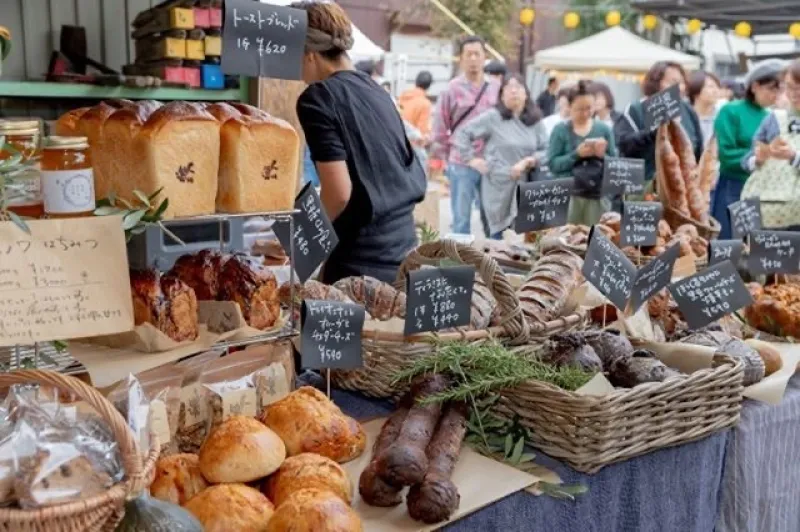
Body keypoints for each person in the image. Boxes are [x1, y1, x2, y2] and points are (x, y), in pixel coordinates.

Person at [291, 1, 426, 284]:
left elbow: (338, 193)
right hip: (403, 257)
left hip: (358, 268)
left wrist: (297, 241)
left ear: (308, 54)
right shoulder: (378, 90)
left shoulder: (317, 98)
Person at [453, 74, 547, 239]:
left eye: (518, 86)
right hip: (498, 185)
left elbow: (547, 149)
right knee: (497, 241)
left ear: (526, 93)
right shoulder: (493, 117)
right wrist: (472, 159)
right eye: (508, 87)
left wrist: (529, 161)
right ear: (502, 94)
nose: (514, 91)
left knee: (527, 242)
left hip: (527, 186)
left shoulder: (535, 121)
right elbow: (463, 133)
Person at [431, 35, 500, 236]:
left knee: (494, 219)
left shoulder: (496, 87)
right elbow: (440, 127)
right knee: (461, 220)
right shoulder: (451, 89)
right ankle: (461, 263)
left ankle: (495, 261)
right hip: (461, 162)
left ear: (484, 57)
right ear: (461, 58)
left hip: (491, 162)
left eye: (477, 54)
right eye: (468, 54)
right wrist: (446, 159)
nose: (472, 59)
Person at [713, 59, 786, 238]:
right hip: (734, 185)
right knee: (730, 242)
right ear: (754, 87)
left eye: (780, 89)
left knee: (755, 246)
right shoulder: (731, 111)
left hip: (764, 188)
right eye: (771, 88)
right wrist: (756, 157)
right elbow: (725, 153)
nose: (775, 94)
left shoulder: (773, 115)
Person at [615, 61, 703, 188]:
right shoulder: (637, 109)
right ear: (656, 83)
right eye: (673, 82)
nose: (680, 87)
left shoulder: (688, 111)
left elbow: (698, 148)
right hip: (646, 185)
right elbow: (624, 144)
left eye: (682, 82)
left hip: (682, 186)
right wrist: (654, 132)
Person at [548, 81, 617, 225]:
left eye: (589, 108)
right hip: (569, 196)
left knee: (597, 237)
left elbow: (615, 165)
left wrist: (602, 155)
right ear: (570, 106)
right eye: (580, 109)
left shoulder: (603, 129)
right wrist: (576, 154)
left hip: (598, 195)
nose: (585, 114)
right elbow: (553, 164)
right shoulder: (560, 130)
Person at [687, 71, 722, 147]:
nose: (716, 91)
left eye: (717, 87)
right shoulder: (686, 117)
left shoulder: (721, 116)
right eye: (711, 86)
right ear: (696, 88)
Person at [398, 71, 433, 143]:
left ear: (416, 82)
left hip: (398, 141)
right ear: (429, 86)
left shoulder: (403, 96)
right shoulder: (425, 104)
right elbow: (422, 133)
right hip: (412, 146)